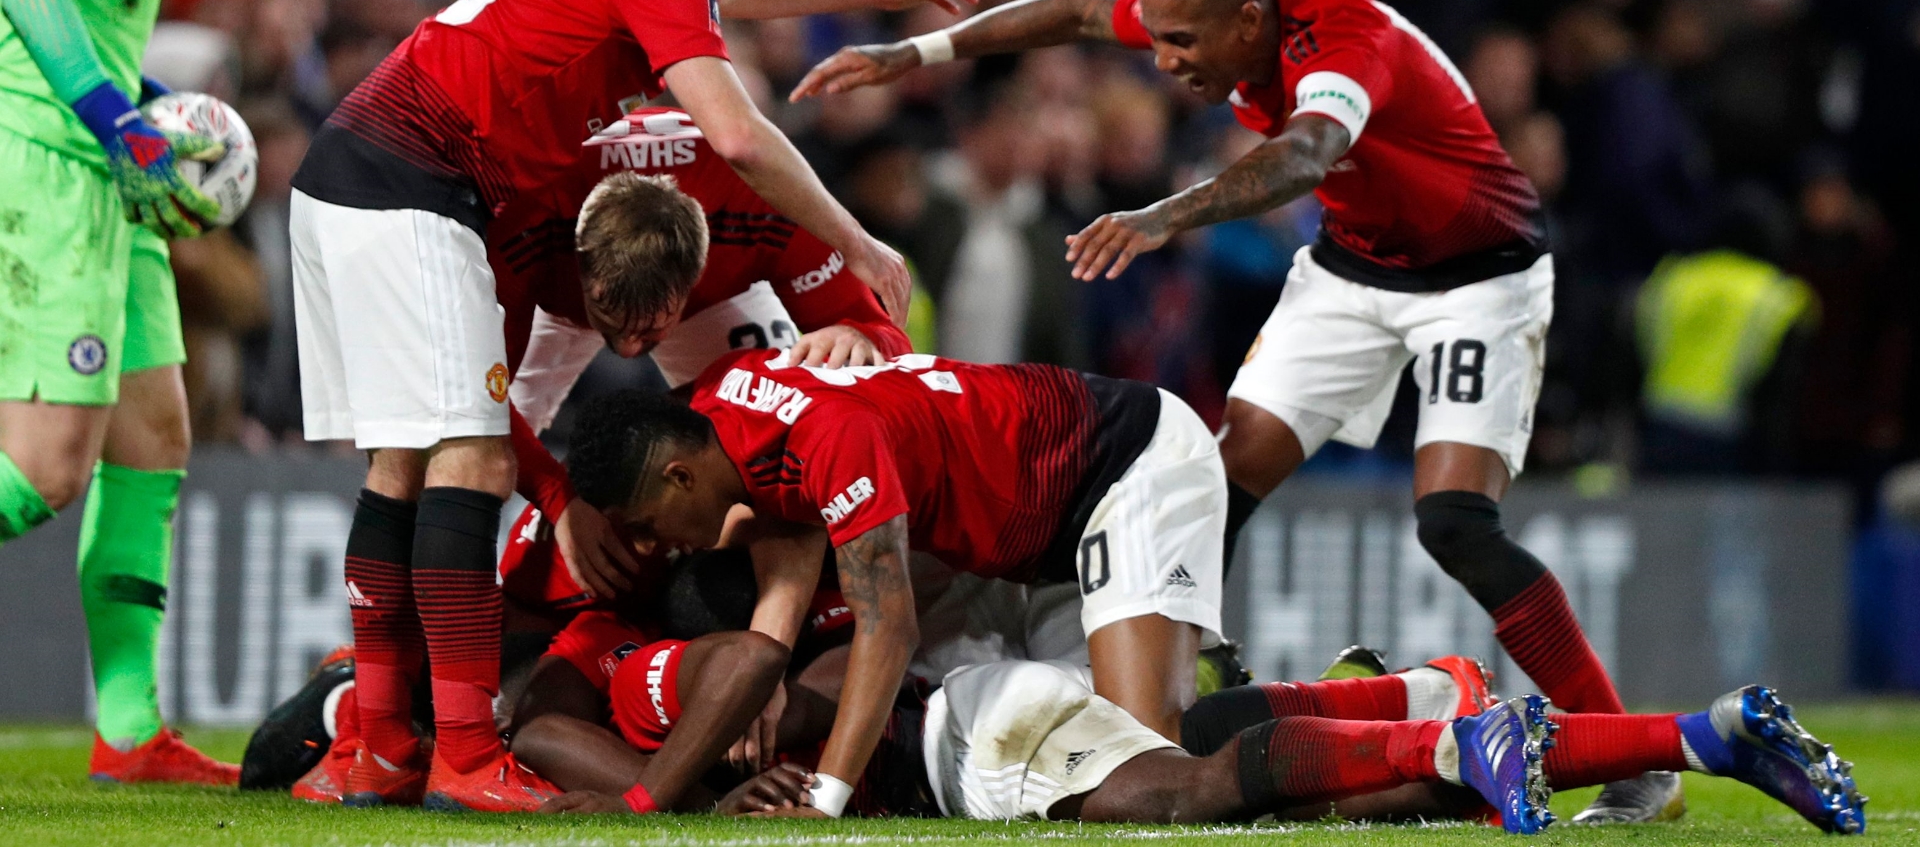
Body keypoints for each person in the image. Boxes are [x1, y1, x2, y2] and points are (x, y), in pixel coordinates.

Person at [793, 0, 1675, 823]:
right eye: (1162, 41)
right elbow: (1080, 13)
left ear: (1249, 20)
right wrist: (917, 49)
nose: (1167, 62)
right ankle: (1218, 679)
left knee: (1455, 521)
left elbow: (1306, 154)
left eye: (1183, 45)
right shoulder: (1207, 5)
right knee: (1221, 477)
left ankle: (1630, 756)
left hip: (1478, 276)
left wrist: (1167, 214)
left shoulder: (1344, 43)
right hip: (1353, 268)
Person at [288, 0, 989, 812]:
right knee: (477, 456)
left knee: (403, 461)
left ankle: (385, 743)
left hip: (355, 169)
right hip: (420, 179)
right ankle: (466, 756)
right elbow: (741, 135)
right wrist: (855, 237)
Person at [285, 108, 914, 803]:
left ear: (697, 275)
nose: (634, 349)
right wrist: (559, 503)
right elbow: (474, 406)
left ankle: (412, 695)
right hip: (545, 283)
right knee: (460, 449)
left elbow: (890, 360)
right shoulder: (527, 231)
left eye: (654, 328)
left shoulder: (760, 211)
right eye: (615, 322)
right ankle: (385, 695)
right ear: (585, 274)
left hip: (702, 286)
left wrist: (864, 342)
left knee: (777, 439)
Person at [564, 346, 1226, 818]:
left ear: (680, 477)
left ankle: (1210, 678)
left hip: (1123, 464)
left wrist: (824, 800)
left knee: (1141, 761)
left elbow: (888, 625)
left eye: (646, 523)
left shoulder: (831, 441)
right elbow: (785, 520)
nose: (651, 546)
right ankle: (1179, 667)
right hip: (1015, 534)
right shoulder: (722, 394)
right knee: (963, 711)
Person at [526, 629, 1865, 835]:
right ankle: (1697, 736)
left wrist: (792, 776)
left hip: (976, 732)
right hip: (1002, 692)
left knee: (1195, 789)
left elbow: (774, 677)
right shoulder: (694, 628)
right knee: (1279, 783)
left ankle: (1445, 736)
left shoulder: (671, 663)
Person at [0, 0, 236, 785]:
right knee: (48, 468)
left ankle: (131, 731)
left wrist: (148, 109)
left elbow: (82, 10)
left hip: (109, 164)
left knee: (153, 437)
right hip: (55, 157)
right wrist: (115, 122)